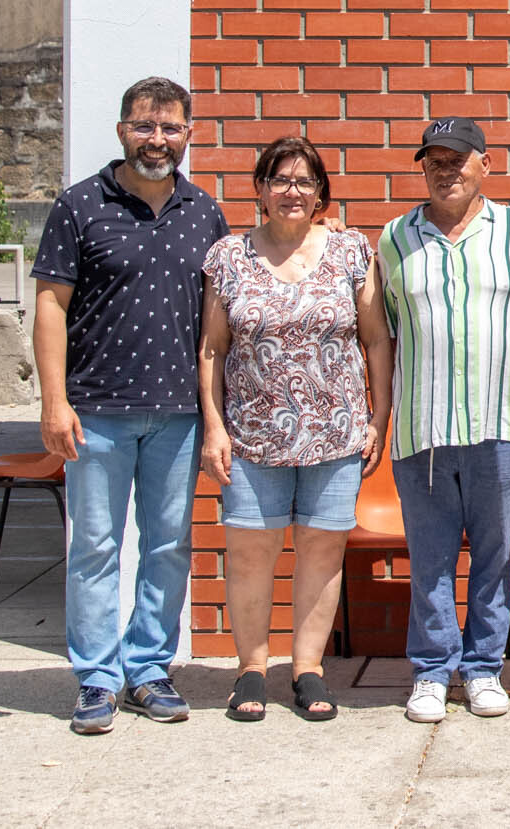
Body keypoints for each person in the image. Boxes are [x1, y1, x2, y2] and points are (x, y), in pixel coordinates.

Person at [32, 76, 229, 735]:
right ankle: (96, 676)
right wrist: (53, 402)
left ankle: (148, 666)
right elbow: (50, 307)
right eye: (146, 126)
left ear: (189, 133)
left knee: (169, 545)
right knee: (94, 546)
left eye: (171, 127)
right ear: (122, 130)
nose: (158, 139)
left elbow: (218, 320)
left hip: (177, 414)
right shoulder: (79, 205)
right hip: (96, 412)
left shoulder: (205, 211)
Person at [196, 136, 393, 722]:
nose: (292, 191)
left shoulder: (353, 251)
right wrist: (214, 426)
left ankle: (308, 669)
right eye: (280, 180)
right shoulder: (229, 257)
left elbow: (377, 339)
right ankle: (251, 671)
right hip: (252, 435)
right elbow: (211, 347)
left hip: (336, 433)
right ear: (259, 189)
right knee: (251, 552)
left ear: (320, 193)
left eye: (304, 181)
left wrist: (378, 416)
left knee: (321, 551)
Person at [375, 118, 510, 723]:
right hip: (422, 425)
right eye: (434, 161)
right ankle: (430, 671)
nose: (446, 170)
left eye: (458, 159)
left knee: (495, 556)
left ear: (485, 165)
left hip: (502, 421)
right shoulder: (394, 238)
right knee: (431, 557)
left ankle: (484, 669)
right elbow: (382, 335)